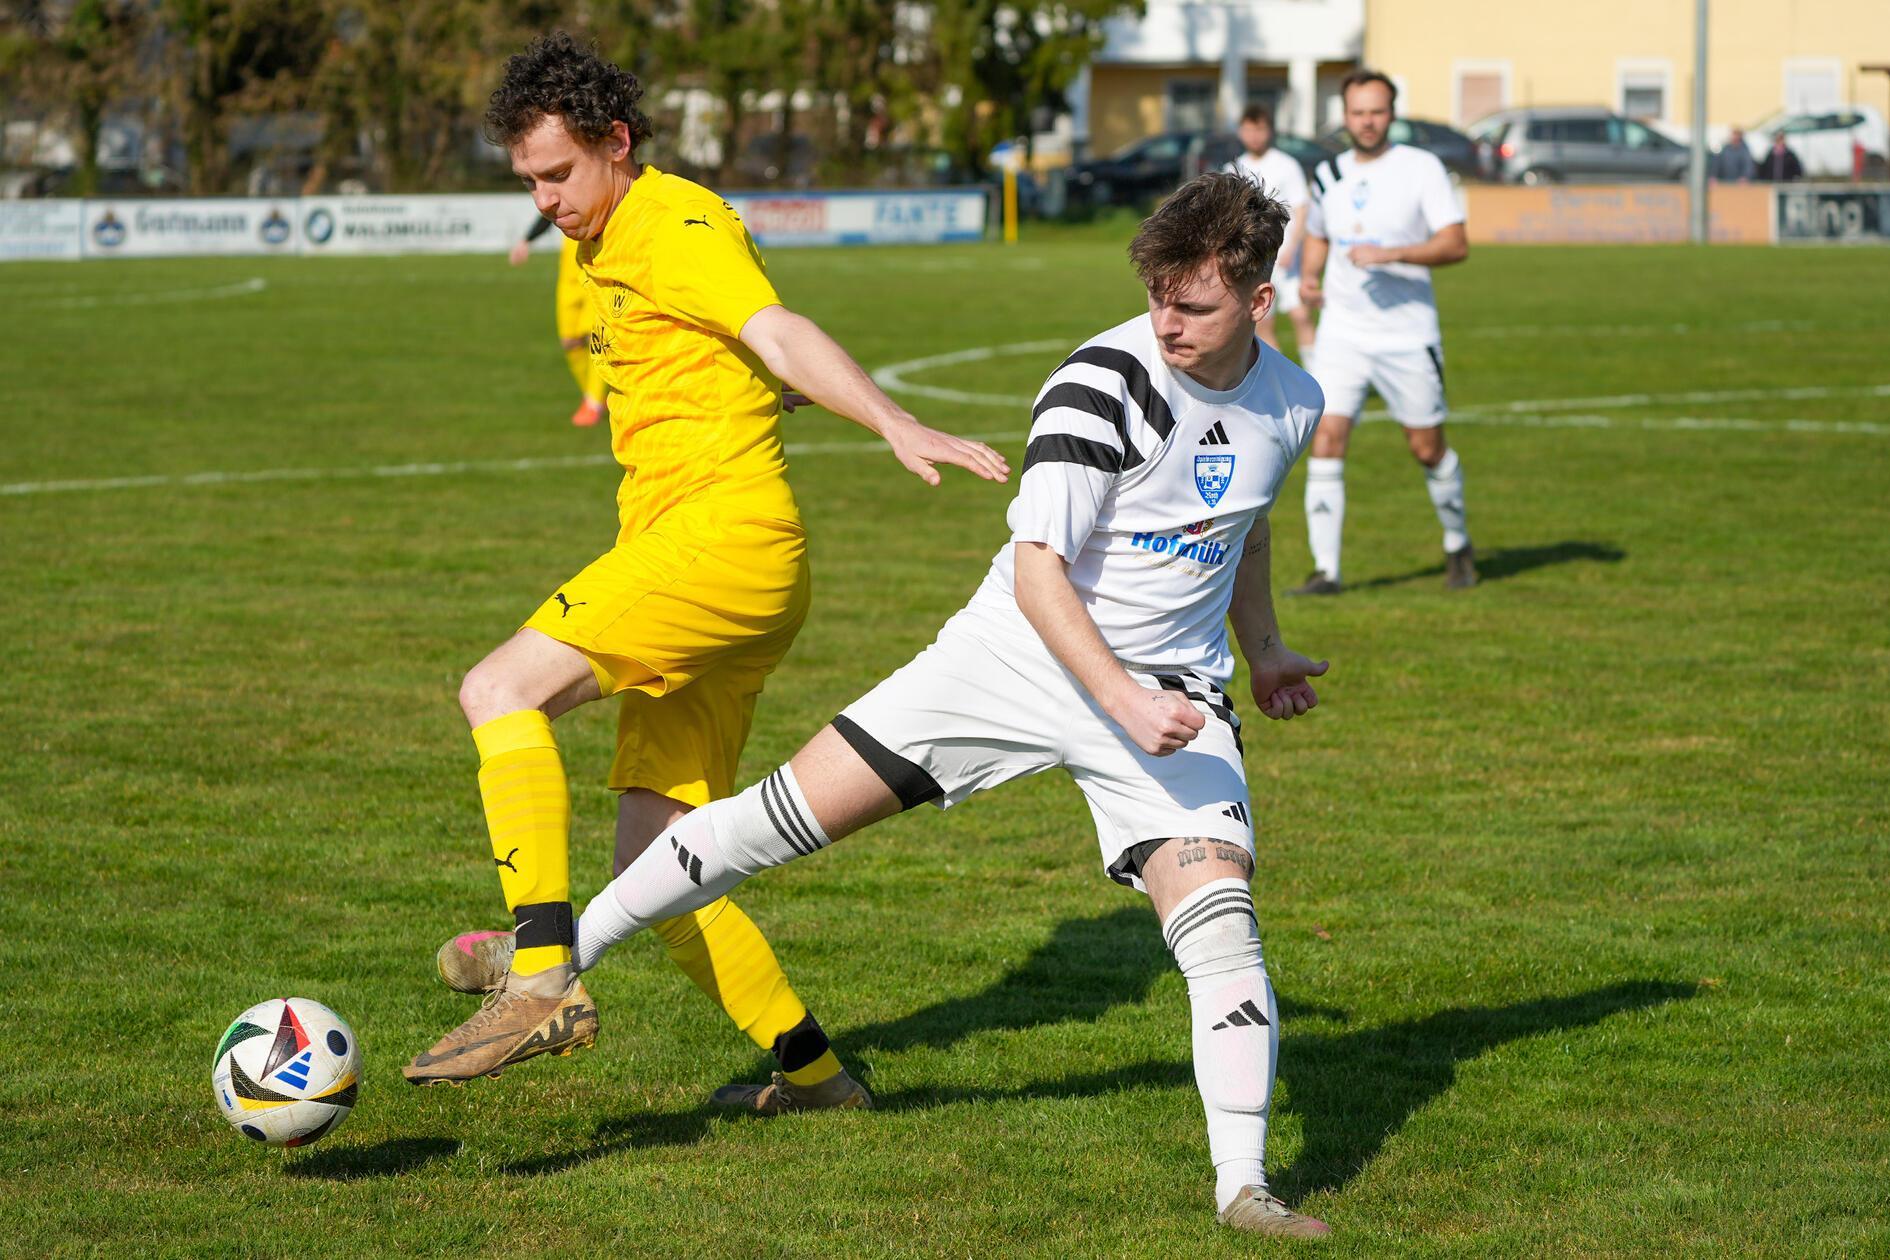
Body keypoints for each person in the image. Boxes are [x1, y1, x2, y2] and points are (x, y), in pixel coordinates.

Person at [557, 173, 1335, 1237]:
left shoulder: (1291, 401)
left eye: (1192, 306)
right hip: (1011, 657)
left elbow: (1243, 526)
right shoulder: (1101, 382)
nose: (1167, 323)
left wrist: (1264, 649)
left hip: (1169, 694)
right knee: (773, 821)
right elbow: (1039, 572)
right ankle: (556, 962)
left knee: (1222, 929)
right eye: (1156, 296)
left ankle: (1243, 1188)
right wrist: (1118, 696)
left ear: (1258, 300)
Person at [403, 32, 1011, 1100]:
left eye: (558, 174)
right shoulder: (604, 240)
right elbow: (727, 357)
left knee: (498, 689)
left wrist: (890, 419)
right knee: (657, 869)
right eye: (528, 181)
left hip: (719, 545)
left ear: (616, 142)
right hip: (715, 559)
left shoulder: (671, 223)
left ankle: (539, 975)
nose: (544, 200)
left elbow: (775, 330)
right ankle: (815, 1076)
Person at [1294, 69, 1474, 595]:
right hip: (1343, 332)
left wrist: (1392, 253)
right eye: (1358, 113)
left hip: (1407, 335)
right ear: (1345, 116)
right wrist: (1310, 276)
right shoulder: (1328, 172)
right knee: (1327, 436)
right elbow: (1318, 234)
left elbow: (1456, 243)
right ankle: (1326, 570)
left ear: (1391, 114)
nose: (1367, 122)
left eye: (1376, 112)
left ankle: (1457, 542)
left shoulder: (1421, 168)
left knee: (1426, 447)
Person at [1223, 104, 1317, 357]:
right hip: (1255, 258)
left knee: (1300, 315)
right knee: (1263, 321)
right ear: (1240, 132)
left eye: (1260, 129)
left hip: (1287, 258)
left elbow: (1301, 208)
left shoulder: (1286, 164)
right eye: (1249, 130)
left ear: (1270, 131)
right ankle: (1276, 376)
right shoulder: (1234, 168)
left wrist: (1292, 247)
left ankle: (1315, 372)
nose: (1254, 136)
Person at [509, 219, 607, 427]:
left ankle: (594, 403)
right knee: (570, 342)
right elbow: (550, 215)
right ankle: (594, 395)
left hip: (595, 273)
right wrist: (527, 240)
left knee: (596, 340)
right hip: (568, 279)